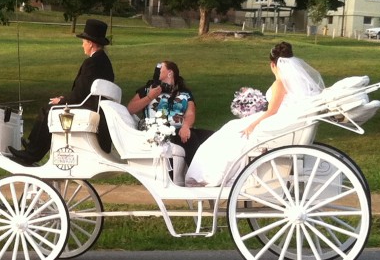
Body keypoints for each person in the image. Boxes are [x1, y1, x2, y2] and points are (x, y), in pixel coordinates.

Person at [185, 41, 324, 187]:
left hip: (277, 120)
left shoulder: (280, 83)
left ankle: (209, 176)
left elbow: (273, 110)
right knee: (231, 129)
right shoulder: (294, 83)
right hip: (283, 120)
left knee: (231, 132)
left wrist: (252, 125)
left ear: (273, 64)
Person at [7, 18, 114, 165]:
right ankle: (33, 147)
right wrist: (65, 99)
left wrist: (63, 101)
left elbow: (80, 93)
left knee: (48, 110)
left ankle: (32, 153)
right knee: (52, 108)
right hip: (93, 105)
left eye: (84, 41)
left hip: (87, 107)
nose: (82, 45)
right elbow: (84, 91)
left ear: (91, 43)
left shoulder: (92, 63)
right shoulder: (105, 62)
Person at [126, 60, 212, 166]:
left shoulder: (185, 93)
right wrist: (150, 97)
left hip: (179, 128)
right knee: (191, 138)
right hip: (159, 132)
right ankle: (194, 177)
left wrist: (186, 127)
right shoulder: (148, 89)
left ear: (170, 73)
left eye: (160, 68)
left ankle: (214, 175)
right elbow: (131, 108)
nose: (157, 70)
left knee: (211, 136)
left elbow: (190, 113)